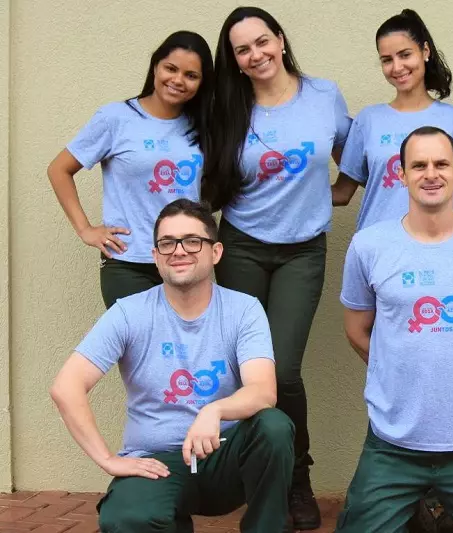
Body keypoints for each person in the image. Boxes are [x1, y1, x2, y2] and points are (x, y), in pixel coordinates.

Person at [49, 199, 296, 533]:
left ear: (216, 252)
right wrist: (107, 459)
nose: (179, 251)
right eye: (167, 243)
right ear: (155, 256)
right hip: (157, 462)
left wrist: (214, 411)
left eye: (192, 241)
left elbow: (263, 391)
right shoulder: (128, 313)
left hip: (226, 456)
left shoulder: (243, 310)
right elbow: (66, 387)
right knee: (125, 518)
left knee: (274, 427)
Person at [335, 126, 453, 533]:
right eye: (418, 165)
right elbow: (356, 330)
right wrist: (397, 368)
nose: (430, 173)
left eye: (441, 163)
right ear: (401, 174)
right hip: (393, 446)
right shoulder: (369, 246)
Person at [200, 7, 352, 529]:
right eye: (243, 49)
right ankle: (256, 480)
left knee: (282, 370)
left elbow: (354, 158)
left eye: (262, 41)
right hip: (241, 245)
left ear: (280, 40)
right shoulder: (227, 106)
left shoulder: (324, 95)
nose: (256, 54)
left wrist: (334, 195)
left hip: (302, 252)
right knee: (243, 369)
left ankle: (296, 480)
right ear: (235, 60)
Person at [47, 31, 214, 309]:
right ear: (155, 66)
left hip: (186, 261)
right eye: (171, 68)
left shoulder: (202, 126)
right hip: (129, 263)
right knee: (137, 339)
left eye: (191, 75)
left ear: (201, 82)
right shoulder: (116, 118)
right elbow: (59, 170)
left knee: (188, 339)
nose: (178, 80)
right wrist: (85, 229)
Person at [331, 9, 453, 231]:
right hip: (377, 242)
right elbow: (342, 192)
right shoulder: (368, 120)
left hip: (439, 243)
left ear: (425, 51)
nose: (397, 67)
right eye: (387, 60)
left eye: (405, 55)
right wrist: (284, 188)